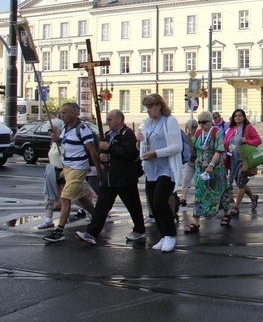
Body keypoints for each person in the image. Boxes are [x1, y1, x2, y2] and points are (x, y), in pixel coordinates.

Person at [75, 109, 146, 245]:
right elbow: (104, 152)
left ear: (119, 120)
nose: (108, 122)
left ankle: (139, 229)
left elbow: (128, 153)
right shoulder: (108, 135)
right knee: (102, 206)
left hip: (124, 178)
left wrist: (110, 148)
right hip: (110, 178)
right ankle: (91, 232)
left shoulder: (128, 134)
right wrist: (102, 157)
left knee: (133, 206)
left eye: (110, 119)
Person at [43, 103, 100, 243]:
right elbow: (66, 145)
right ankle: (98, 217)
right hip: (68, 167)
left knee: (65, 197)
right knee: (81, 197)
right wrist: (58, 140)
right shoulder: (64, 128)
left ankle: (59, 231)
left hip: (78, 168)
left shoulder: (83, 129)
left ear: (74, 114)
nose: (62, 115)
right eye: (61, 113)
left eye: (65, 113)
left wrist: (99, 169)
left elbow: (91, 151)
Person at [136, 94, 183, 252]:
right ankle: (163, 235)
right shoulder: (148, 122)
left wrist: (155, 153)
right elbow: (144, 144)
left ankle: (170, 235)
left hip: (166, 168)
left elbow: (177, 147)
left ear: (159, 106)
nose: (148, 111)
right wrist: (140, 142)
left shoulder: (169, 121)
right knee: (152, 204)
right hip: (151, 168)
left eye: (150, 107)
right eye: (147, 108)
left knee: (159, 201)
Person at [184, 110, 232, 232]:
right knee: (199, 192)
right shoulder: (199, 132)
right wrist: (189, 139)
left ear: (210, 121)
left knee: (220, 191)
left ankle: (227, 212)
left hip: (215, 168)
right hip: (201, 168)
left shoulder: (217, 132)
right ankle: (196, 220)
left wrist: (211, 165)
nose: (201, 125)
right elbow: (195, 147)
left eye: (204, 122)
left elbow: (219, 150)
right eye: (200, 122)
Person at [224, 109, 261, 216]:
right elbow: (227, 143)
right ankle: (253, 198)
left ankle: (236, 207)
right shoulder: (231, 129)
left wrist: (247, 141)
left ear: (244, 117)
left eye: (240, 116)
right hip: (233, 162)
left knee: (240, 183)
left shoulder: (248, 128)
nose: (238, 118)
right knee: (241, 183)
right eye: (236, 116)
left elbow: (258, 140)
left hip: (244, 161)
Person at [180, 119, 199, 207]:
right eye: (189, 128)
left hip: (198, 161)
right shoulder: (185, 136)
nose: (191, 130)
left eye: (193, 128)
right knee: (186, 178)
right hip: (189, 161)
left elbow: (198, 148)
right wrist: (187, 139)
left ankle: (198, 198)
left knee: (198, 180)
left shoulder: (198, 135)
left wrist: (192, 140)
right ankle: (183, 198)